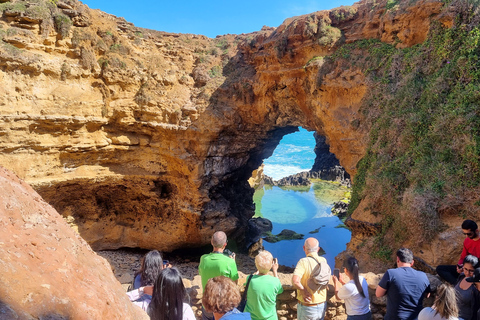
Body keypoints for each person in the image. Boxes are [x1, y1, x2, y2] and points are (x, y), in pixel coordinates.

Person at [376, 247, 431, 320]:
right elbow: (427, 295)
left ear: (398, 259)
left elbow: (378, 294)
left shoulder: (391, 273)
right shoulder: (423, 275)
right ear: (412, 262)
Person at [199, 231, 239, 320]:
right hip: (222, 307)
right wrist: (233, 262)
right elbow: (235, 284)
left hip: (207, 304)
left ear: (211, 242)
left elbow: (201, 273)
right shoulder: (230, 262)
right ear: (225, 244)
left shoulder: (203, 259)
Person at [292, 237, 329, 320]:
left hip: (308, 306)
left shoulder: (303, 262)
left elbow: (295, 281)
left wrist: (304, 291)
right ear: (318, 249)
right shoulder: (323, 261)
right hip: (322, 305)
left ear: (304, 248)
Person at [437, 220, 480, 285]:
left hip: (476, 269)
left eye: (469, 234)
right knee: (440, 269)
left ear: (476, 231)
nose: (466, 236)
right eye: (464, 234)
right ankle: (458, 285)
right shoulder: (467, 241)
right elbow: (463, 257)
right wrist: (459, 266)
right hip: (467, 268)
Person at [244, 250, 283, 320]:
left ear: (256, 264)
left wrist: (258, 271)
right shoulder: (275, 281)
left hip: (251, 317)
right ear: (271, 265)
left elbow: (252, 277)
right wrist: (275, 271)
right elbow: (280, 290)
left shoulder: (250, 279)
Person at [454, 255, 480, 320]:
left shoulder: (477, 285)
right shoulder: (461, 276)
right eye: (465, 269)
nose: (467, 273)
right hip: (453, 315)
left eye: (471, 271)